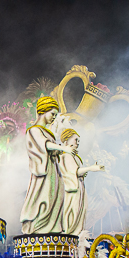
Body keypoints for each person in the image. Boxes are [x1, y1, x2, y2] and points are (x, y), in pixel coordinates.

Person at [20, 97, 77, 234]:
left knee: (55, 197)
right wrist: (64, 148)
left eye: (55, 115)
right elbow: (43, 144)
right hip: (43, 173)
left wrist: (58, 151)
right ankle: (38, 226)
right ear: (42, 111)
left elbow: (51, 147)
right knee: (42, 197)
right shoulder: (33, 130)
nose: (53, 118)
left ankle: (52, 226)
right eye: (52, 114)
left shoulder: (47, 133)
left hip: (53, 171)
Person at [58, 129, 104, 235]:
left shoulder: (74, 157)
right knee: (73, 211)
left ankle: (77, 234)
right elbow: (74, 172)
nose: (77, 143)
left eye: (78, 141)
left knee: (80, 212)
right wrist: (91, 168)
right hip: (72, 189)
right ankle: (72, 234)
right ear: (66, 141)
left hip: (79, 187)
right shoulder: (66, 156)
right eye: (75, 140)